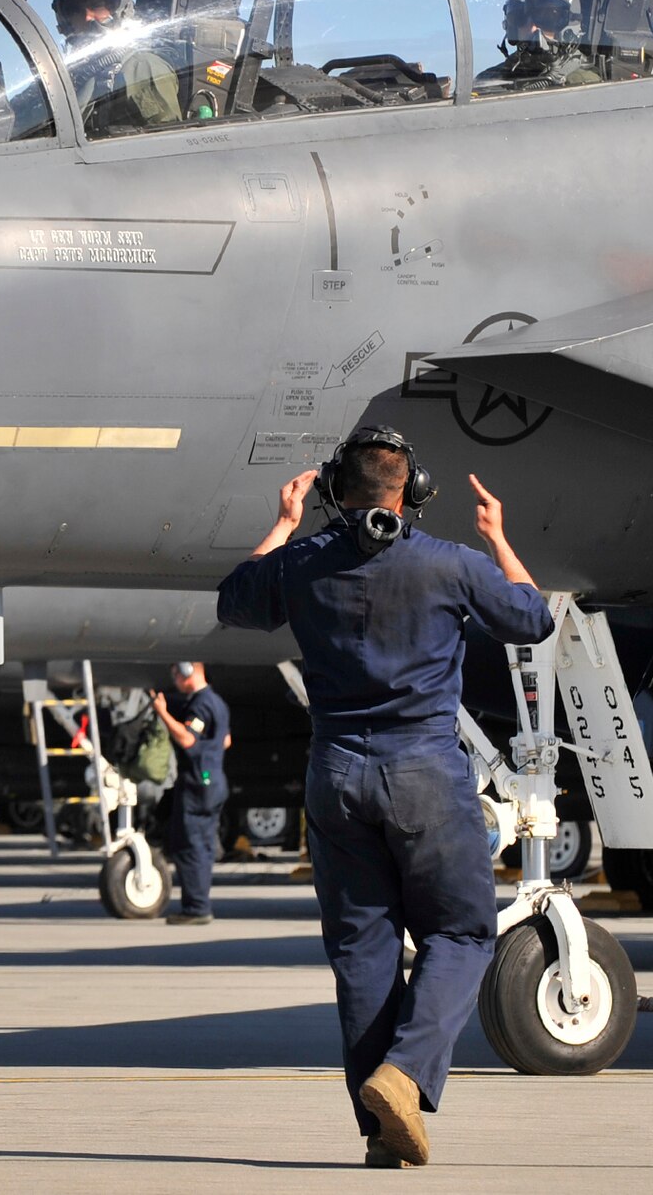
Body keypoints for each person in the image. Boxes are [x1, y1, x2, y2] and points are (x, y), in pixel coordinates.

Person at [215, 424, 554, 1169]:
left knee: (363, 953)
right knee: (461, 933)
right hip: (427, 774)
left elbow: (235, 600)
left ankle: (380, 1137)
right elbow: (532, 619)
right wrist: (497, 537)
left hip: (336, 774)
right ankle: (403, 1075)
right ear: (414, 491)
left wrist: (281, 522)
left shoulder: (303, 561)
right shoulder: (450, 563)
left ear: (337, 491)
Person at [51, 0, 180, 133]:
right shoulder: (62, 77)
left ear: (120, 8)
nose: (88, 17)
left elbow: (167, 144)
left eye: (97, 5)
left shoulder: (139, 67)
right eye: (74, 10)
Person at [152, 661, 230, 925]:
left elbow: (187, 738)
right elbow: (226, 740)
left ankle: (196, 908)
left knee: (189, 845)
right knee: (204, 845)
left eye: (175, 673)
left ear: (188, 673)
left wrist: (162, 712)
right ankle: (199, 902)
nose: (173, 679)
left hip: (198, 781)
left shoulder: (201, 705)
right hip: (213, 778)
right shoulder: (217, 702)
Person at [474, 0, 602, 93]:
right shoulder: (489, 80)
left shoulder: (585, 86)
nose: (532, 28)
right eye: (520, 16)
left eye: (547, 17)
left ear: (570, 27)